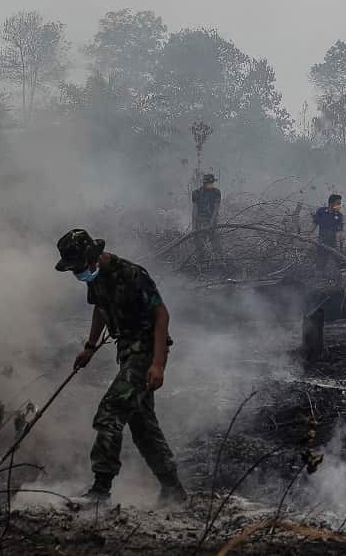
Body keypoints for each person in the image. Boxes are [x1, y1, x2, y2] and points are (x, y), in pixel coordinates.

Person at [55, 228, 187, 506]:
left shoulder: (132, 274)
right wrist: (89, 347)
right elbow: (100, 308)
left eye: (78, 267)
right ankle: (173, 490)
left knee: (110, 412)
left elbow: (161, 315)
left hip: (146, 349)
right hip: (126, 350)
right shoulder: (95, 279)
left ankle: (100, 490)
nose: (77, 274)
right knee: (142, 426)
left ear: (92, 257)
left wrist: (158, 364)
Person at [190, 174, 223, 262]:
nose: (212, 184)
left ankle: (219, 261)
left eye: (212, 183)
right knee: (199, 245)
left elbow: (216, 209)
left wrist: (212, 222)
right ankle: (201, 263)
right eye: (210, 183)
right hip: (200, 221)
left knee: (216, 244)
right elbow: (194, 211)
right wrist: (194, 227)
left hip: (211, 220)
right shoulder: (196, 193)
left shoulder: (216, 192)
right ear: (205, 183)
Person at [311, 194, 345, 272]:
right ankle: (319, 280)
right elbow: (314, 224)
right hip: (322, 244)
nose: (339, 206)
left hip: (334, 245)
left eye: (340, 203)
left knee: (341, 266)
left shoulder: (339, 216)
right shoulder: (321, 211)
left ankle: (343, 280)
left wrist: (338, 248)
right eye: (338, 203)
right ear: (331, 204)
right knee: (320, 266)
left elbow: (338, 233)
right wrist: (306, 235)